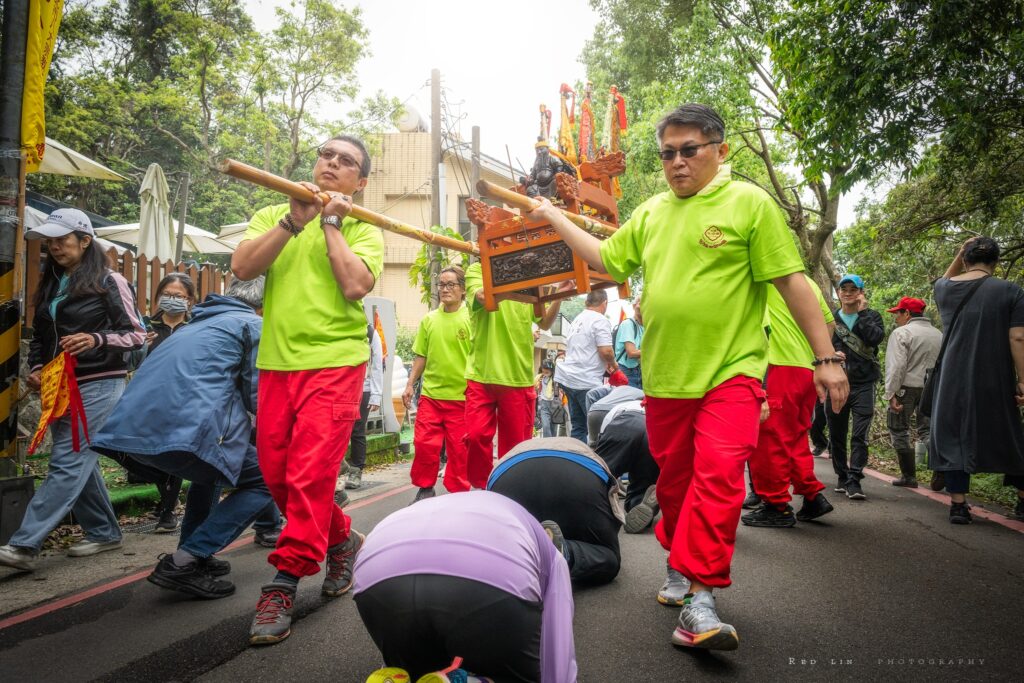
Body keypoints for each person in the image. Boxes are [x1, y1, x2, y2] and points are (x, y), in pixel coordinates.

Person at [525, 103, 847, 651]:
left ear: (720, 152)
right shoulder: (651, 213)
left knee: (721, 477)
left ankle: (701, 599)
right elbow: (606, 260)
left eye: (689, 150)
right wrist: (555, 218)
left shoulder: (749, 204)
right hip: (668, 382)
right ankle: (680, 561)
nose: (677, 162)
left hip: (734, 372)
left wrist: (827, 358)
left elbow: (792, 282)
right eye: (668, 152)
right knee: (675, 487)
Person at [231, 133, 383, 645]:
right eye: (327, 155)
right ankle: (341, 539)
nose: (333, 164)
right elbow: (243, 268)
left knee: (309, 473)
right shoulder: (277, 210)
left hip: (336, 365)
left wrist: (333, 222)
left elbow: (354, 286)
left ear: (359, 183)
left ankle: (285, 579)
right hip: (276, 364)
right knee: (276, 476)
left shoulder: (367, 227)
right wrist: (294, 221)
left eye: (347, 163)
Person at [92, 278, 271, 599]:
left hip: (133, 430)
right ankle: (185, 560)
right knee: (266, 479)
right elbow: (257, 396)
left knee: (213, 472)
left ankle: (191, 554)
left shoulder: (195, 325)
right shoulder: (253, 325)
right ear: (264, 303)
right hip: (184, 430)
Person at [0, 209, 146, 572]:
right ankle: (103, 531)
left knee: (66, 462)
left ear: (85, 241)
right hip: (59, 385)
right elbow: (41, 339)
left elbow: (138, 335)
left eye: (62, 240)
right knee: (79, 463)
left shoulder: (111, 281)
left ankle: (23, 545)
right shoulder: (51, 282)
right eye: (50, 241)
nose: (54, 247)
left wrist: (95, 338)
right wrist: (36, 369)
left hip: (100, 384)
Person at [354, 490, 577, 682]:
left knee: (417, 671)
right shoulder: (552, 554)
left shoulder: (481, 506)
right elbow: (557, 638)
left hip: (377, 571)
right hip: (485, 576)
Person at [929, 237, 1024, 524]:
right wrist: (1022, 380)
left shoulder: (944, 289)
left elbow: (943, 279)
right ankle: (1022, 500)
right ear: (996, 262)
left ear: (965, 259)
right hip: (994, 375)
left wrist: (959, 253)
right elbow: (1017, 336)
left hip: (952, 378)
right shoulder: (1012, 291)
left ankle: (958, 504)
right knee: (1009, 434)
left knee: (953, 437)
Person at [743, 276, 836, 528]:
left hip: (778, 365)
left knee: (769, 438)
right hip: (808, 369)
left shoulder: (768, 278)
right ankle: (812, 496)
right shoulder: (807, 281)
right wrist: (818, 357)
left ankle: (776, 506)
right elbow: (829, 323)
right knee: (794, 438)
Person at [462, 263, 563, 490]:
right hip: (482, 374)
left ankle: (510, 493)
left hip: (518, 376)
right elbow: (481, 296)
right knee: (476, 437)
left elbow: (544, 321)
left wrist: (558, 295)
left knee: (516, 447)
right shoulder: (478, 269)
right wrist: (514, 276)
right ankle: (481, 489)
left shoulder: (532, 276)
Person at [488, 437, 624, 585]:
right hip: (579, 472)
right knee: (609, 557)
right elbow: (614, 516)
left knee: (504, 544)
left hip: (507, 474)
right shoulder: (586, 452)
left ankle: (517, 556)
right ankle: (567, 552)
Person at [121, 272, 197, 533]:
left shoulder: (197, 327)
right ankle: (165, 491)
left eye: (179, 296)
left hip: (183, 399)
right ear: (158, 297)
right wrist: (139, 346)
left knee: (173, 451)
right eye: (168, 295)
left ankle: (167, 511)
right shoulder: (143, 326)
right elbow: (127, 363)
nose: (173, 300)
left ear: (190, 301)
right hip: (147, 399)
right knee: (134, 451)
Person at [402, 265, 472, 502]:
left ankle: (459, 494)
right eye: (441, 285)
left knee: (460, 452)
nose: (445, 289)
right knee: (423, 444)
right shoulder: (429, 320)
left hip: (463, 398)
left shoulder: (472, 318)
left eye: (451, 284)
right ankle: (425, 489)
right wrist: (410, 384)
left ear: (463, 290)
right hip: (431, 396)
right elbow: (421, 355)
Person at [827, 274, 885, 501]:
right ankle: (842, 476)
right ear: (839, 292)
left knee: (860, 434)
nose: (848, 292)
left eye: (853, 289)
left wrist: (862, 314)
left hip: (863, 383)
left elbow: (874, 339)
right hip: (836, 383)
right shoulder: (830, 319)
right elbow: (818, 347)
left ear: (861, 293)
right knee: (837, 433)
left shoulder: (872, 317)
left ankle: (855, 479)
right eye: (844, 289)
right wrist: (832, 356)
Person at [883, 296, 942, 488]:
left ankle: (909, 476)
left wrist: (891, 393)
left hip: (905, 388)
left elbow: (897, 366)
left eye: (897, 313)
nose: (896, 318)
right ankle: (941, 466)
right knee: (927, 429)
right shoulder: (939, 334)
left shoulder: (902, 333)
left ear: (907, 313)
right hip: (932, 388)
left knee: (898, 428)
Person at [591, 394, 661, 535]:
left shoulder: (621, 406)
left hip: (624, 424)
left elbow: (603, 435)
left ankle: (593, 511)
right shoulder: (653, 407)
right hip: (653, 429)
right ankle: (640, 502)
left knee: (600, 475)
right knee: (643, 481)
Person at [555, 289, 618, 443]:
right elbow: (606, 351)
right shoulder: (600, 319)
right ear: (605, 303)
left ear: (586, 302)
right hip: (586, 380)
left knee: (578, 426)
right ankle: (595, 462)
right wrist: (615, 366)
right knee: (597, 428)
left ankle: (577, 460)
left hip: (569, 378)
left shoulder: (577, 319)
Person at [344, 323, 384, 490]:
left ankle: (356, 470)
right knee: (339, 430)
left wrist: (376, 394)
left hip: (363, 387)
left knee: (357, 430)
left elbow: (376, 364)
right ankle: (339, 470)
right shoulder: (338, 326)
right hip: (340, 386)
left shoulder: (369, 332)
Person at [614, 301, 644, 389]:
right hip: (626, 371)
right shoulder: (628, 324)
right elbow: (631, 353)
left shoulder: (643, 327)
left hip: (637, 370)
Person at [535, 360, 562, 438]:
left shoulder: (556, 379)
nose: (545, 374)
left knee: (553, 428)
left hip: (555, 404)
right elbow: (535, 388)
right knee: (546, 426)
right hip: (544, 404)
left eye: (547, 372)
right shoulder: (540, 378)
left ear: (552, 371)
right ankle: (547, 443)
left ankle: (552, 445)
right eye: (543, 372)